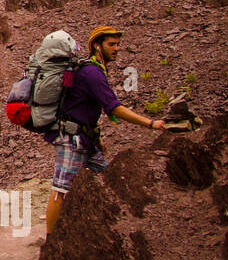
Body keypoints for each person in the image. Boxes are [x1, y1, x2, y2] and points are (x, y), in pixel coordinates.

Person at [45, 26, 166, 236]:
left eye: (118, 44)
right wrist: (150, 123)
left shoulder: (94, 69)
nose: (117, 49)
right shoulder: (92, 72)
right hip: (71, 139)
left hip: (85, 139)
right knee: (61, 190)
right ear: (97, 46)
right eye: (112, 44)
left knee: (108, 177)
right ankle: (50, 240)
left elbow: (86, 107)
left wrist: (97, 137)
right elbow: (114, 108)